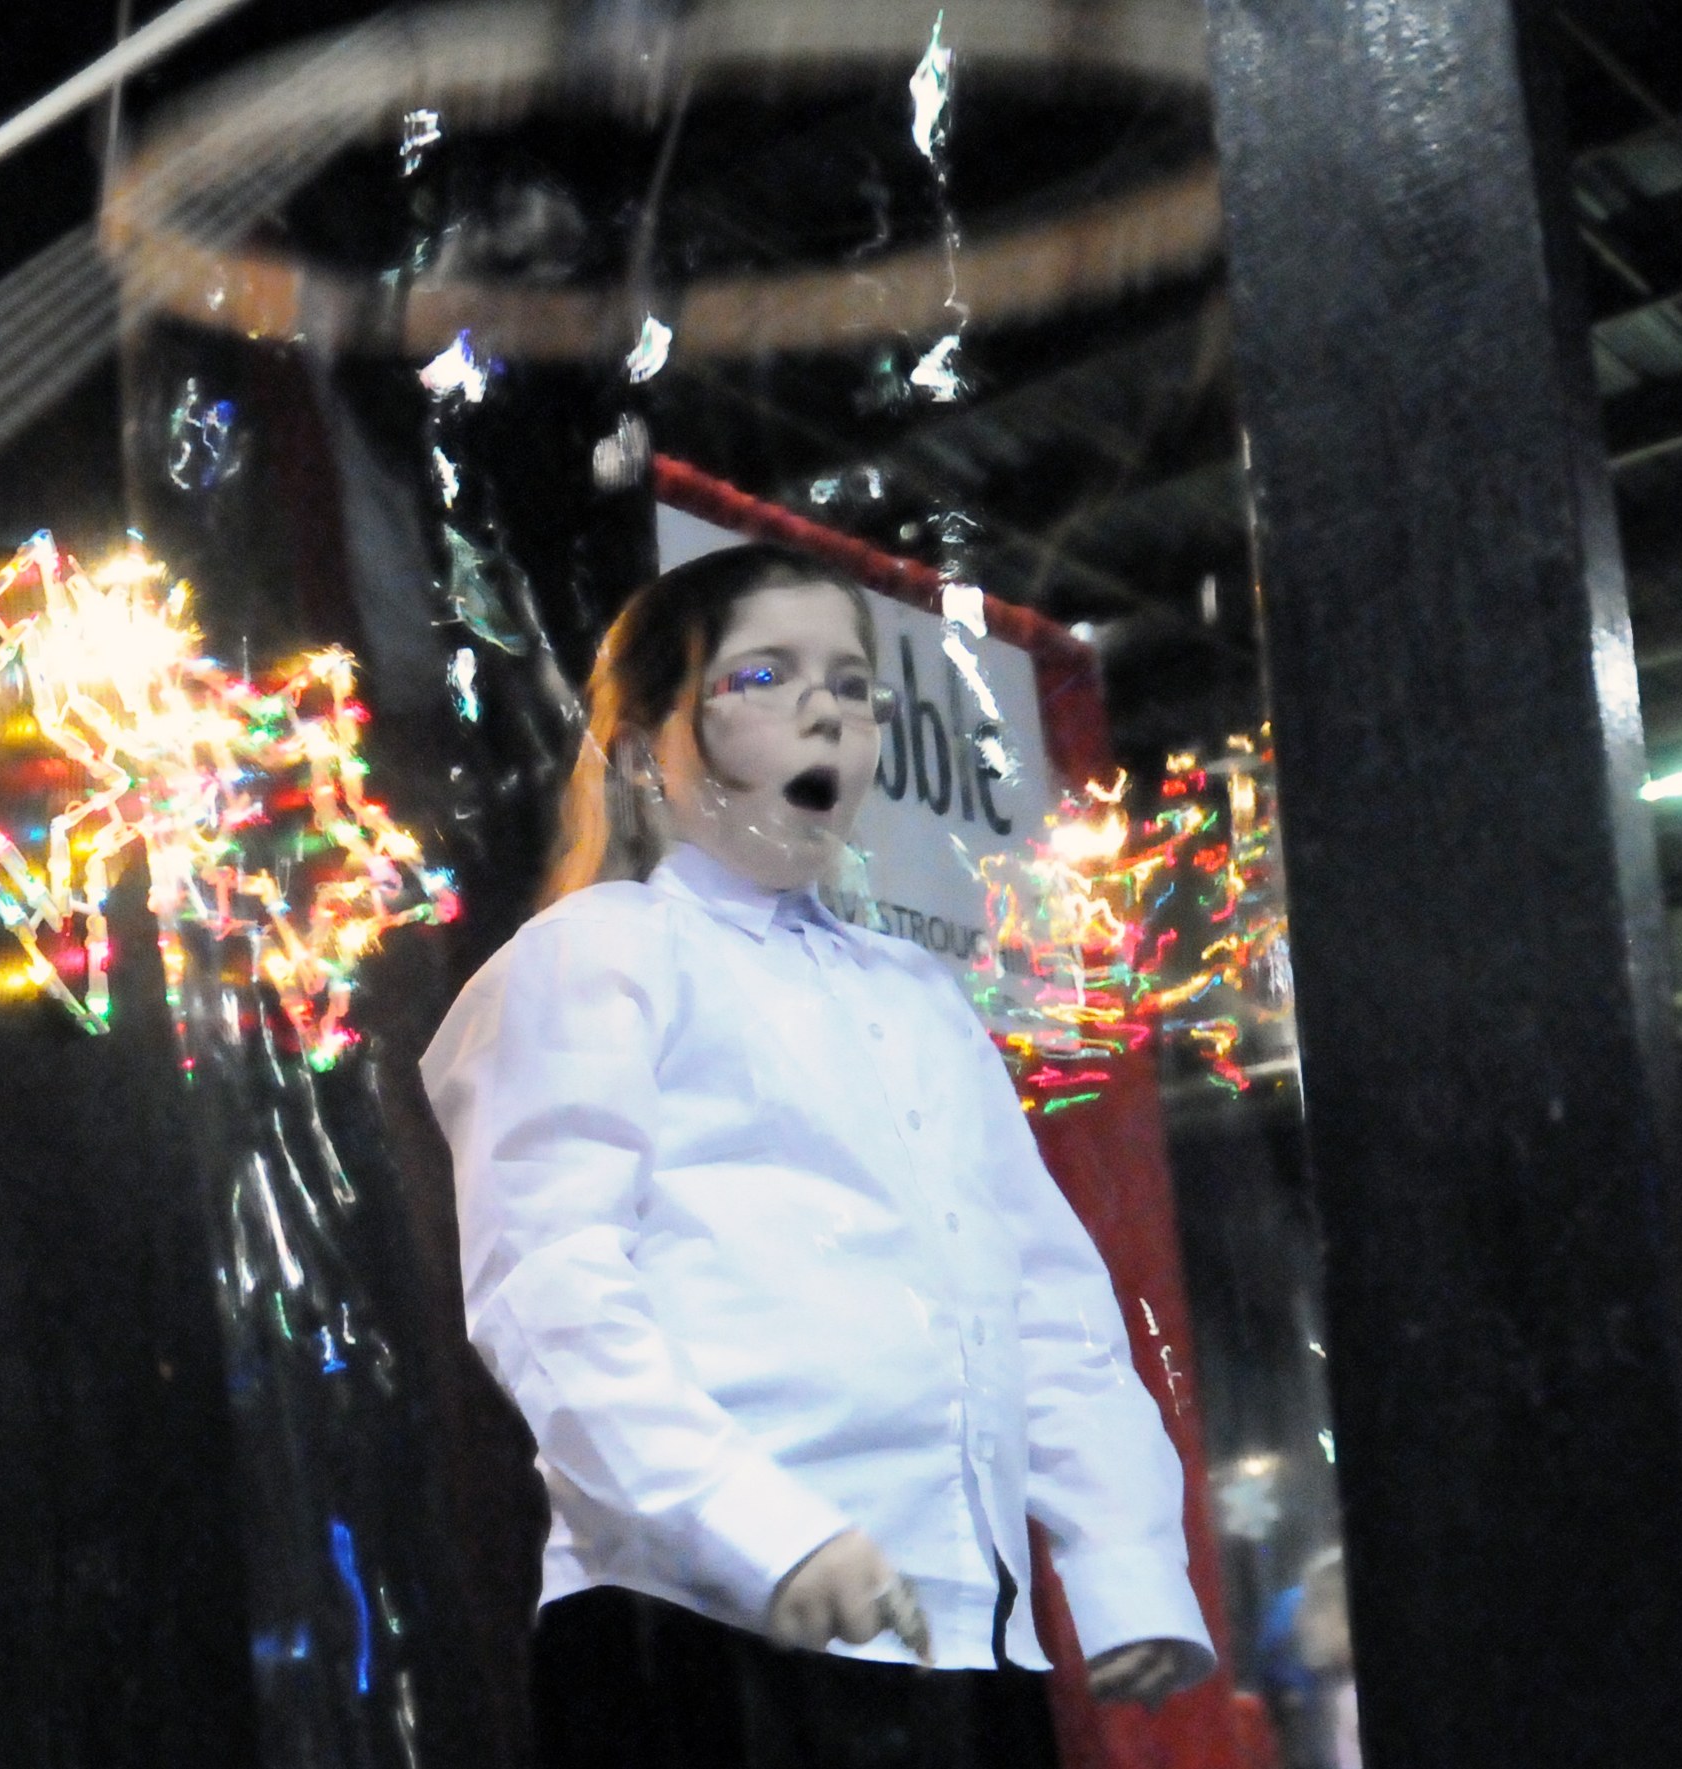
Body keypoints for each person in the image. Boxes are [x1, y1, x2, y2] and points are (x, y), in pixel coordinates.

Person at [419, 545, 1216, 1768]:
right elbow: (550, 1286)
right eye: (764, 674)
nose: (825, 711)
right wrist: (762, 1526)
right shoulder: (598, 957)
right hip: (701, 1625)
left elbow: (1044, 1297)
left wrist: (1126, 1563)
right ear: (642, 753)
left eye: (853, 685)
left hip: (962, 1633)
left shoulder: (919, 997)